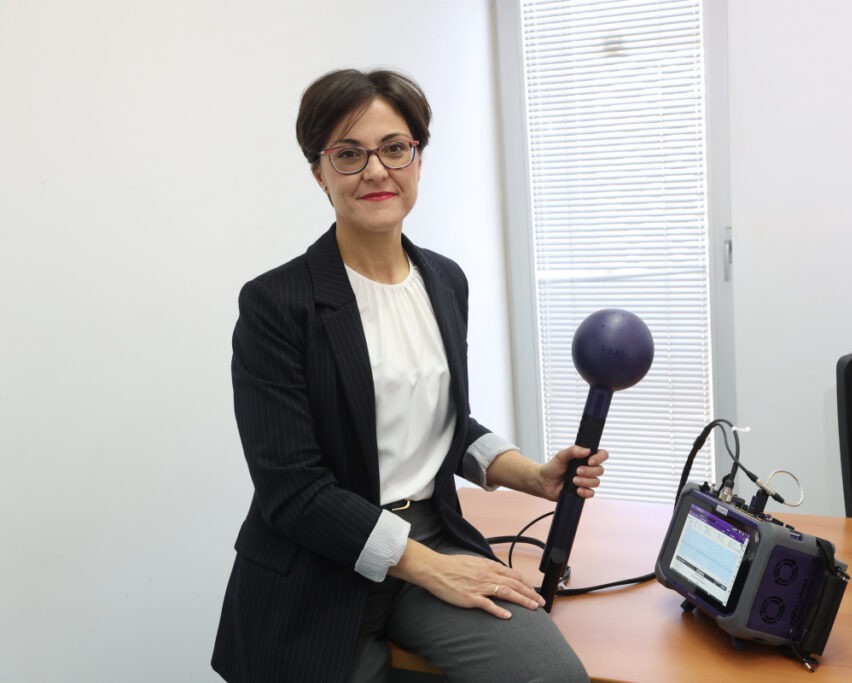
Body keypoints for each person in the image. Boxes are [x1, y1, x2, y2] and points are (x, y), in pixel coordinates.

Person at [211, 69, 607, 683]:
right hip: (321, 555)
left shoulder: (445, 280)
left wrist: (529, 475)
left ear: (418, 159)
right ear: (319, 172)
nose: (376, 171)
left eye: (394, 148)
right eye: (349, 154)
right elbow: (293, 490)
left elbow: (441, 419)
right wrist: (428, 567)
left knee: (551, 675)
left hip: (432, 530)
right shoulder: (276, 303)